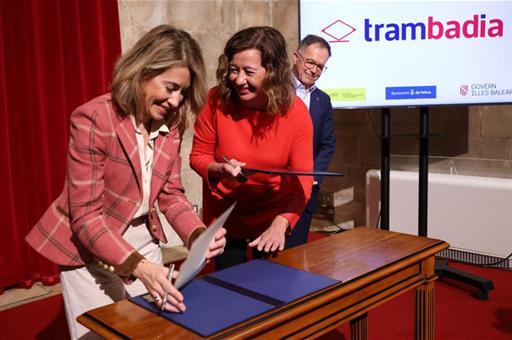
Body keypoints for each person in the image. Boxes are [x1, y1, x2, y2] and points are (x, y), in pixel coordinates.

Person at [25, 25, 226, 339]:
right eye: (170, 87)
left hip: (143, 239)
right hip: (88, 249)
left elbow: (171, 194)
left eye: (183, 92)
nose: (176, 101)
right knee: (103, 335)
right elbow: (87, 218)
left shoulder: (173, 122)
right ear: (143, 71)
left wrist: (197, 235)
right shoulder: (94, 118)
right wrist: (139, 266)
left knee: (156, 332)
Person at [190, 26, 313, 270]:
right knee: (228, 289)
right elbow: (197, 157)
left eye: (249, 71)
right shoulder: (214, 101)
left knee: (271, 288)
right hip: (226, 214)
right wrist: (220, 169)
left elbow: (302, 181)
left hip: (272, 216)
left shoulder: (296, 112)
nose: (238, 80)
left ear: (273, 72)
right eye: (233, 70)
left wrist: (281, 224)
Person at [285, 35, 336, 248]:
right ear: (296, 57)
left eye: (320, 67)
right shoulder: (273, 89)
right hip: (273, 191)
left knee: (296, 256)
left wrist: (313, 177)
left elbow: (328, 143)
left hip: (304, 192)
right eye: (311, 62)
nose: (314, 70)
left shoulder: (322, 100)